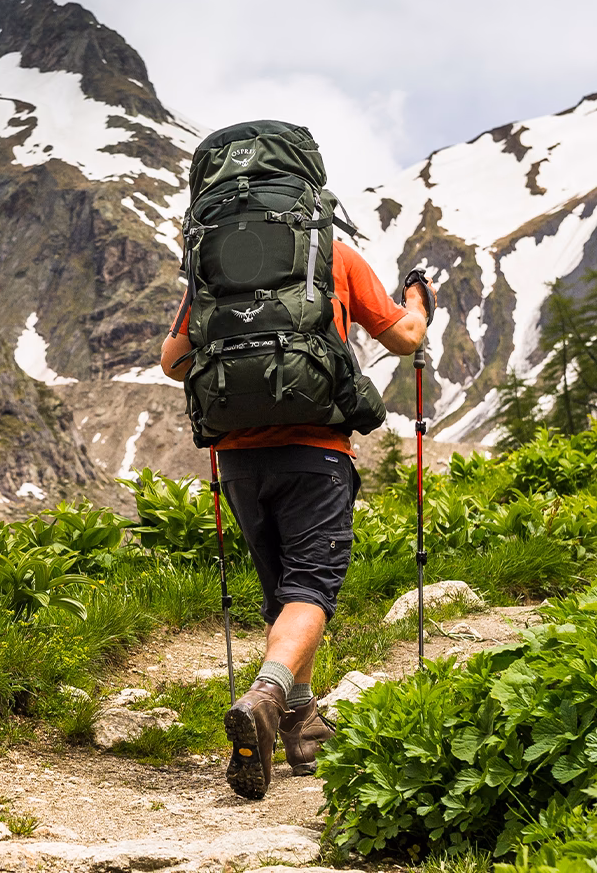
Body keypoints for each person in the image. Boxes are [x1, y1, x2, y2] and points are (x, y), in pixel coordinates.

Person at [159, 238, 434, 800]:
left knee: (283, 593)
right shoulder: (329, 249)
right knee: (311, 586)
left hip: (237, 459)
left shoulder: (217, 255)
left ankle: (302, 725)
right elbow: (405, 337)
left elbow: (173, 361)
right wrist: (418, 301)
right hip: (315, 451)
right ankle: (265, 696)